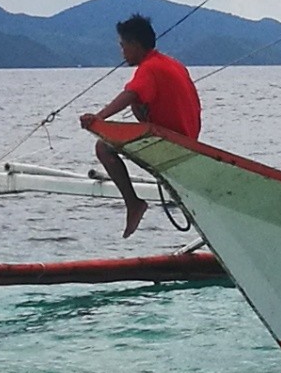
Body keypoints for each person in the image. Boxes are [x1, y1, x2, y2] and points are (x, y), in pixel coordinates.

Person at [84, 14, 201, 237]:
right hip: (187, 139)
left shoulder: (148, 69)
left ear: (135, 45)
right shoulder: (172, 63)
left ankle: (133, 203)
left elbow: (129, 94)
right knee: (138, 107)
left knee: (103, 147)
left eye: (123, 46)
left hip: (171, 140)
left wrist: (99, 118)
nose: (122, 52)